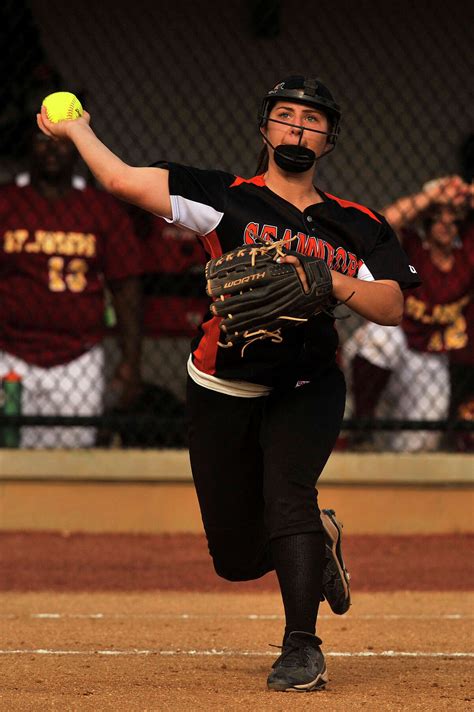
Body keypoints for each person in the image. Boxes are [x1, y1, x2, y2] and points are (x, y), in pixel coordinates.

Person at [37, 74, 419, 692]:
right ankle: (316, 542)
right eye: (286, 115)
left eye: (312, 120)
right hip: (223, 385)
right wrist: (76, 127)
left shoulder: (358, 224)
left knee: (287, 497)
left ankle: (302, 647)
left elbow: (393, 304)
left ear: (330, 140)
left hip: (308, 382)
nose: (297, 127)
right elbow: (119, 180)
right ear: (265, 128)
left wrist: (332, 283)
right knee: (237, 558)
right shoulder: (221, 197)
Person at [0, 130, 143, 447]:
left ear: (78, 148)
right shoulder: (7, 202)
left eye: (62, 141)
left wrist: (131, 360)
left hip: (79, 357)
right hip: (9, 352)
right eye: (42, 140)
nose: (52, 149)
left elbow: (126, 287)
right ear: (28, 147)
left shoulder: (100, 208)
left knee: (73, 460)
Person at [344, 178, 473, 451]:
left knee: (420, 441)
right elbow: (383, 222)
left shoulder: (467, 254)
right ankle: (362, 425)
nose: (446, 223)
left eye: (453, 217)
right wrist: (433, 196)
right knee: (382, 337)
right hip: (396, 343)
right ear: (426, 220)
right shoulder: (414, 245)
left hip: (429, 359)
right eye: (438, 216)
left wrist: (467, 194)